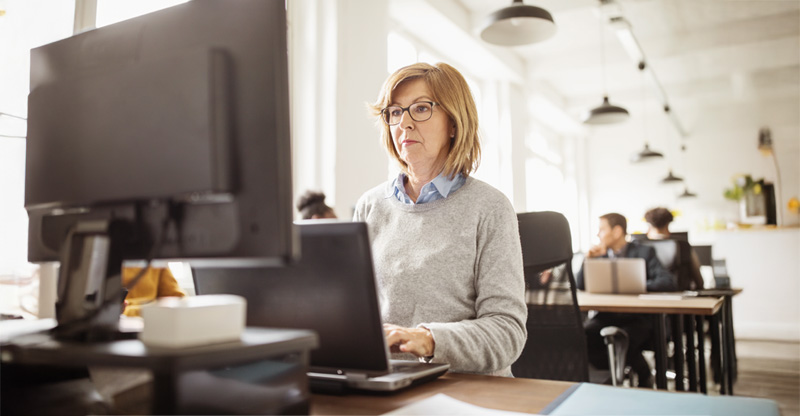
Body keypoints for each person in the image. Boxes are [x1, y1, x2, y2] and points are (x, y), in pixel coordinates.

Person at [353, 62, 527, 376]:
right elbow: (354, 314)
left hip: (467, 387)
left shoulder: (490, 208)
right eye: (395, 112)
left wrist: (429, 340)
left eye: (421, 108)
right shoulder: (370, 206)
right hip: (386, 382)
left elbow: (506, 332)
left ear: (454, 124)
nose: (404, 123)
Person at [577, 213, 677, 387]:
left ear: (617, 231)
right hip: (607, 316)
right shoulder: (599, 255)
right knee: (584, 335)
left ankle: (643, 375)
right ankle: (619, 375)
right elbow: (580, 285)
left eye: (602, 230)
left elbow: (667, 281)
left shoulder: (644, 252)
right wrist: (587, 259)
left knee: (624, 339)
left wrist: (637, 284)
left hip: (638, 317)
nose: (598, 234)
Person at [644, 207, 704, 290]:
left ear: (649, 227)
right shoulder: (683, 246)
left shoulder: (639, 247)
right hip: (680, 294)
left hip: (646, 294)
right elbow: (699, 281)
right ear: (667, 226)